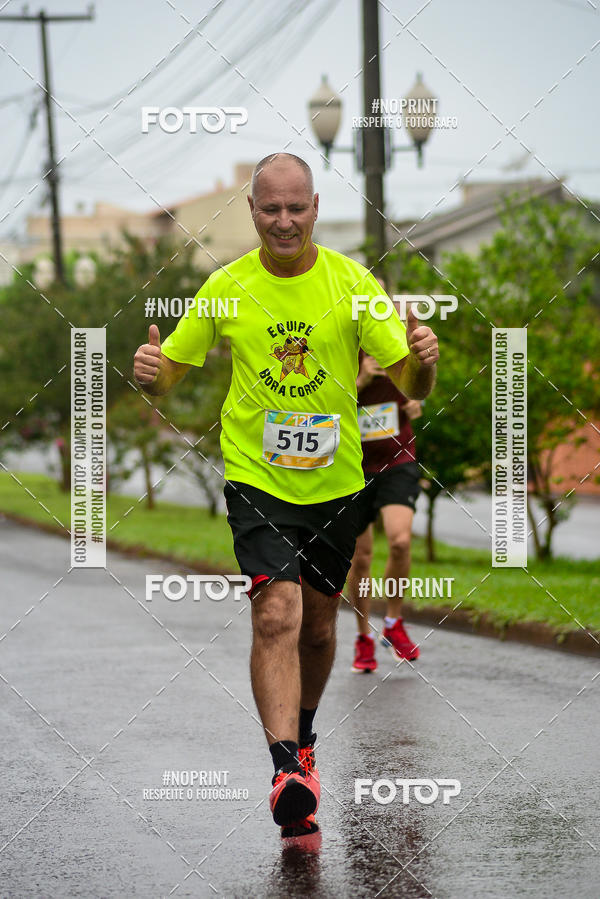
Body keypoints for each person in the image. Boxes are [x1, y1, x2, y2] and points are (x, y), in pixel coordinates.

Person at [132, 153, 439, 837]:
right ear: (252, 211)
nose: (284, 219)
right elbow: (170, 376)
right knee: (277, 612)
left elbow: (411, 386)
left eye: (295, 207)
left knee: (320, 627)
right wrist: (151, 373)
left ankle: (302, 740)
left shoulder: (352, 285)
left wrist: (423, 361)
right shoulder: (226, 287)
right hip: (256, 476)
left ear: (315, 207)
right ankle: (284, 770)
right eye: (270, 207)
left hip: (336, 485)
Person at [347, 321, 423, 673]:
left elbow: (419, 386)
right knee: (360, 557)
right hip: (353, 464)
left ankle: (393, 623)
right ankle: (363, 636)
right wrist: (361, 379)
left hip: (398, 457)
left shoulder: (398, 343)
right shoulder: (341, 344)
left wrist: (416, 402)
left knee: (400, 543)